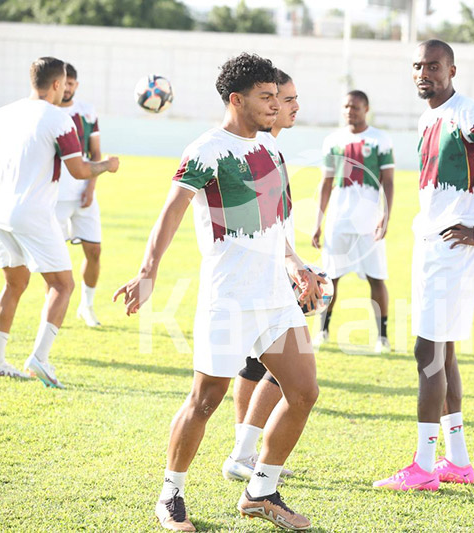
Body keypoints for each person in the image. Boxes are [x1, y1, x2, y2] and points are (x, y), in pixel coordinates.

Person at [114, 54, 320, 532]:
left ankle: (260, 491)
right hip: (229, 297)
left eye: (278, 96)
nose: (275, 105)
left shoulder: (273, 151)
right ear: (236, 99)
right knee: (204, 400)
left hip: (274, 297)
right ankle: (170, 496)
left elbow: (277, 223)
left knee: (304, 390)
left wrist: (295, 262)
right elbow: (171, 211)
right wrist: (148, 271)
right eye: (265, 97)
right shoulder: (206, 148)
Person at [374, 40, 474, 491]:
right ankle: (456, 461)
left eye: (433, 66)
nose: (424, 73)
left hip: (454, 249)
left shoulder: (468, 112)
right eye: (417, 66)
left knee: (427, 352)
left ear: (451, 69)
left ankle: (421, 466)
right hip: (431, 243)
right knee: (445, 351)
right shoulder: (427, 116)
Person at [0, 57, 119, 388]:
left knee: (13, 285)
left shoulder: (3, 113)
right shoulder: (57, 118)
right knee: (62, 285)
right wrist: (107, 165)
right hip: (33, 213)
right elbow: (80, 170)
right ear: (58, 84)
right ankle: (39, 359)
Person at [223, 69, 300, 484]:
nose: (289, 106)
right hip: (260, 276)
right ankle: (242, 453)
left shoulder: (269, 146)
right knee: (286, 370)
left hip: (275, 268)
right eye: (282, 99)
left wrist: (296, 261)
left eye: (287, 98)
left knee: (256, 365)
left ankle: (244, 452)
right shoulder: (259, 146)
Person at [311, 90, 394, 354]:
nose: (350, 111)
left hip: (368, 222)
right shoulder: (333, 141)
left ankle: (382, 337)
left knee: (376, 278)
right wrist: (318, 221)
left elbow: (389, 181)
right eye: (346, 106)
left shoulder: (380, 140)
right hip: (338, 219)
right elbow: (325, 183)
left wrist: (386, 214)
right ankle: (322, 331)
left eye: (356, 107)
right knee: (330, 278)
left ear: (366, 108)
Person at [56, 63, 106, 327]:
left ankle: (86, 306)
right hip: (54, 195)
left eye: (71, 83)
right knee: (55, 255)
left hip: (83, 193)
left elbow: (96, 153)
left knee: (94, 251)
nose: (67, 88)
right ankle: (54, 307)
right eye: (64, 83)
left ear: (76, 84)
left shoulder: (86, 112)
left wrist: (91, 187)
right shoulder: (48, 112)